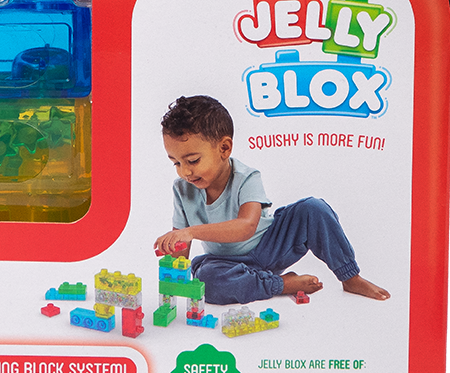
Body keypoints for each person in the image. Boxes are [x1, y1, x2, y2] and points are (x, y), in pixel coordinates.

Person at [152, 95, 389, 306]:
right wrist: (174, 264)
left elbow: (246, 227)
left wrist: (191, 232)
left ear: (224, 148)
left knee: (313, 208)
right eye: (176, 163)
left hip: (270, 246)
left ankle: (350, 278)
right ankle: (280, 284)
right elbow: (181, 247)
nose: (185, 172)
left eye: (193, 161)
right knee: (206, 281)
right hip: (224, 262)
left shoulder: (247, 178)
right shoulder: (182, 189)